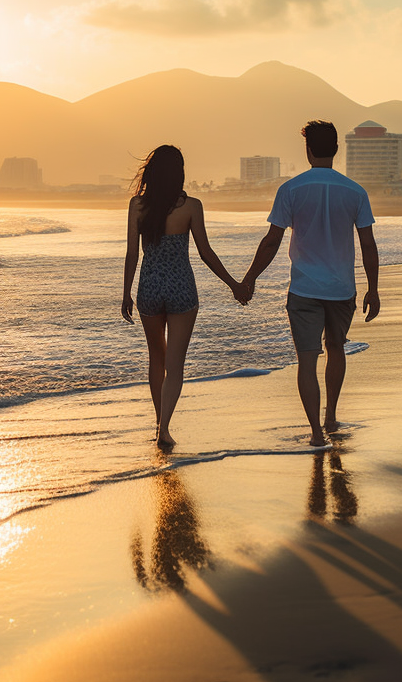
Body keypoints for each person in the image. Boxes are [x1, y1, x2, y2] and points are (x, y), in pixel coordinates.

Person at [238, 121, 379, 447]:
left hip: (303, 289)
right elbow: (368, 245)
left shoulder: (292, 189)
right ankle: (331, 416)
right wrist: (373, 288)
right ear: (336, 149)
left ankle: (316, 432)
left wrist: (249, 279)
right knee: (336, 349)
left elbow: (272, 241)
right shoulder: (355, 191)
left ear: (308, 149)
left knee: (307, 359)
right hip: (342, 288)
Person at [122, 145, 247, 448]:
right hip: (181, 289)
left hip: (149, 287)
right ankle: (164, 428)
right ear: (179, 173)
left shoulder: (137, 205)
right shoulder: (191, 206)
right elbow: (205, 253)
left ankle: (157, 423)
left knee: (156, 359)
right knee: (175, 364)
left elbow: (132, 254)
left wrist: (125, 293)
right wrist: (234, 284)